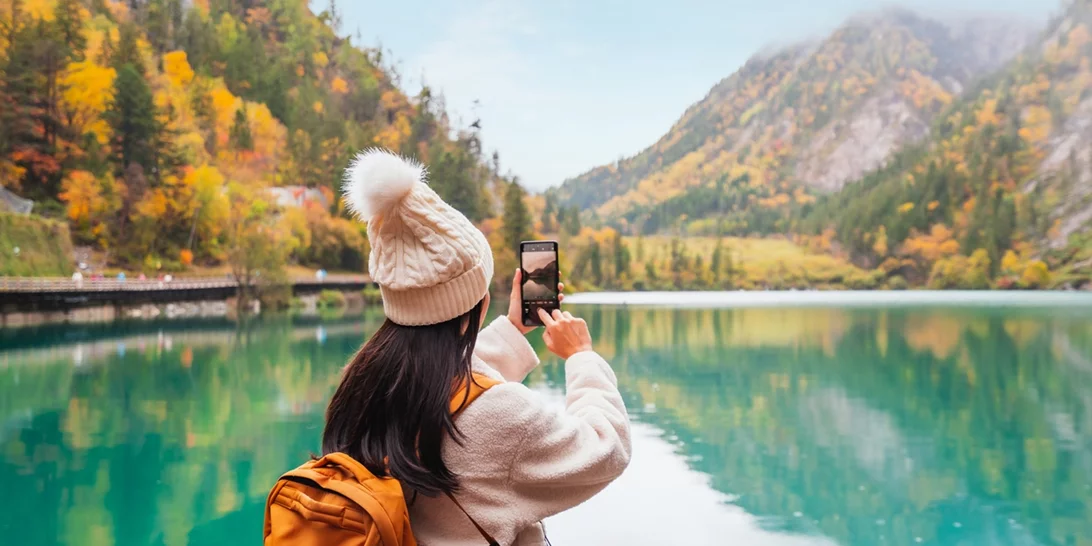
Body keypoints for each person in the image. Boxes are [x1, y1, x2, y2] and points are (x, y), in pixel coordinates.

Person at [322, 150, 631, 545]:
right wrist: (582, 358)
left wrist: (514, 329)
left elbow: (447, 383)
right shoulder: (502, 415)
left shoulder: (361, 383)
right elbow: (607, 449)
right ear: (480, 302)